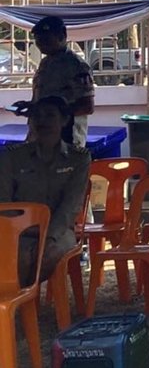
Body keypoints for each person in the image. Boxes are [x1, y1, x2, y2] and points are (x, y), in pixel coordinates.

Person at [0, 96, 89, 285]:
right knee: (21, 257)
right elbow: (4, 202)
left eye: (50, 115)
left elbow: (70, 206)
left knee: (46, 255)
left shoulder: (78, 159)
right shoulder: (13, 157)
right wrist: (19, 231)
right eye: (37, 116)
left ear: (64, 120)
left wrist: (48, 237)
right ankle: (22, 299)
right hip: (19, 231)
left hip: (59, 232)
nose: (43, 121)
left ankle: (22, 298)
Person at [31, 15, 94, 149]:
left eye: (46, 39)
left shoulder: (76, 65)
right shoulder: (45, 63)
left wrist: (55, 114)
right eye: (38, 40)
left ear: (62, 36)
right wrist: (32, 107)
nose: (41, 44)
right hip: (42, 136)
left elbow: (87, 106)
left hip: (67, 137)